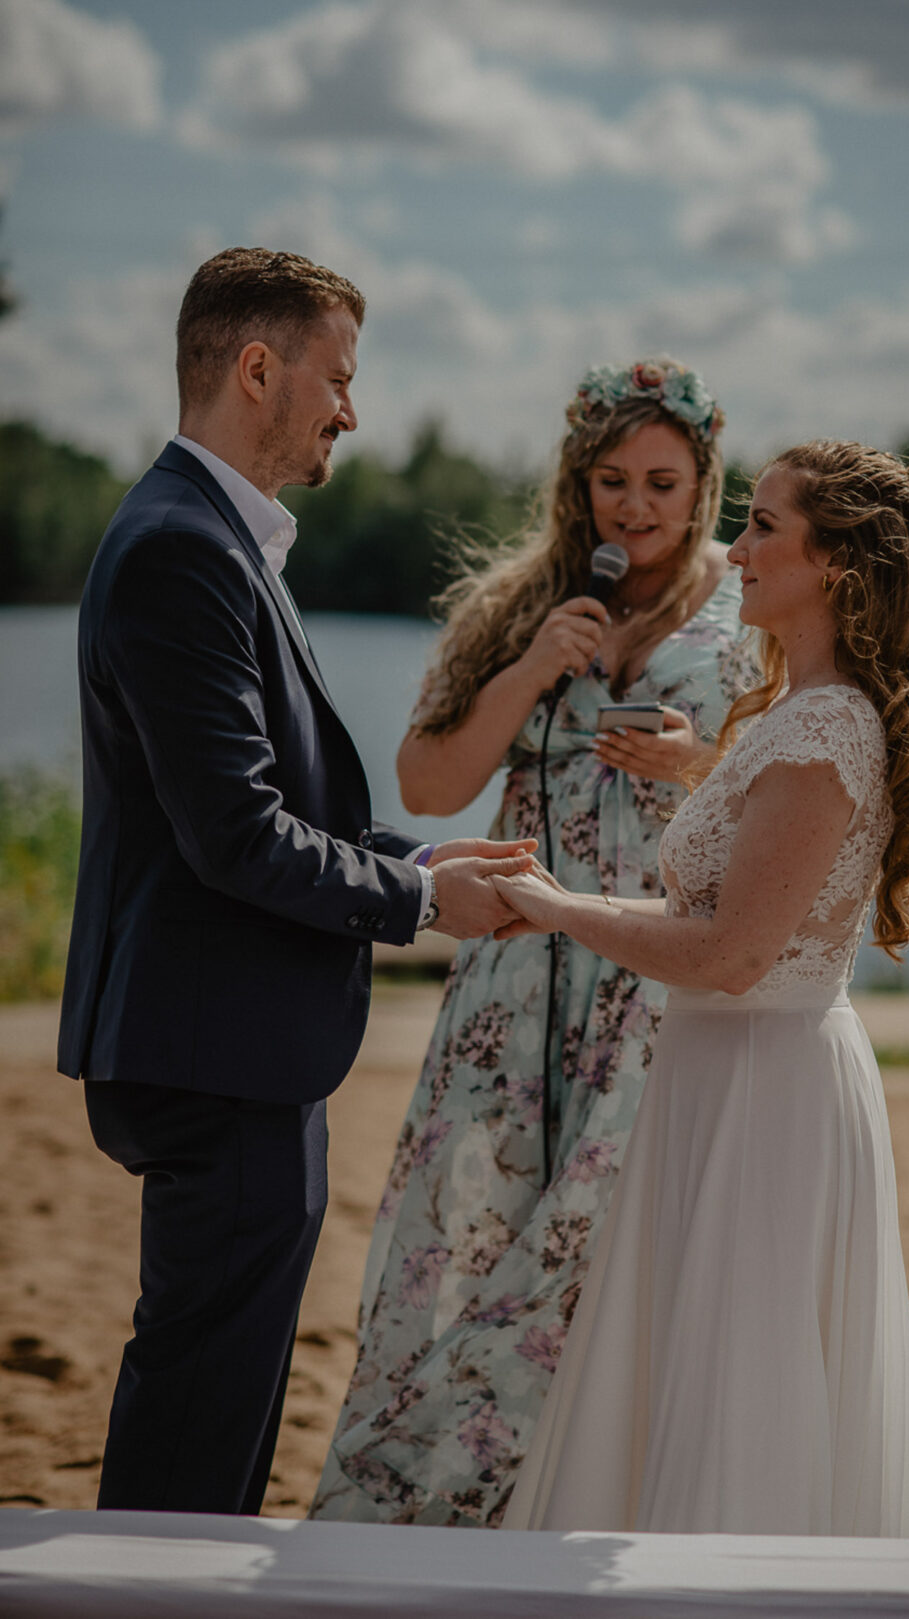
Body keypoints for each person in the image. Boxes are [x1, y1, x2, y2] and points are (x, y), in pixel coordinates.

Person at [57, 246, 535, 1516]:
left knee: (218, 1397)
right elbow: (237, 834)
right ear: (258, 368)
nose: (351, 410)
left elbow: (277, 810)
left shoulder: (216, 536)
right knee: (199, 1415)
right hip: (219, 1055)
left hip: (234, 1043)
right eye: (337, 377)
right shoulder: (183, 549)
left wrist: (423, 857)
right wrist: (425, 904)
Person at [498, 439, 909, 1535]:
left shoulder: (825, 725)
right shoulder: (790, 711)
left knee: (742, 1382)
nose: (738, 546)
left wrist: (562, 908)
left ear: (839, 565)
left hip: (767, 1087)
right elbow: (737, 901)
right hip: (726, 1070)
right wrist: (586, 861)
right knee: (695, 1367)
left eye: (764, 524)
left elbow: (730, 954)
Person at [311, 358, 754, 1525]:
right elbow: (428, 778)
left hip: (654, 980)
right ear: (579, 481)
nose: (635, 505)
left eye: (663, 480)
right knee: (468, 1235)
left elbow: (793, 801)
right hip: (510, 981)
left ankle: (586, 1500)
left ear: (705, 480)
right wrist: (527, 668)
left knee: (612, 1255)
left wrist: (698, 766)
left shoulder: (749, 616)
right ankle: (442, 1507)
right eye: (612, 479)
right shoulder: (522, 599)